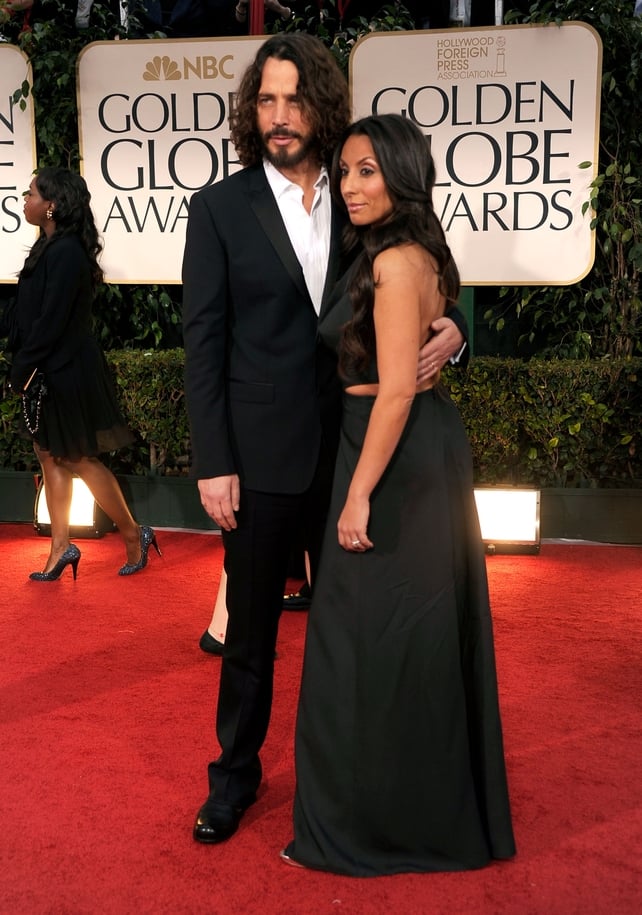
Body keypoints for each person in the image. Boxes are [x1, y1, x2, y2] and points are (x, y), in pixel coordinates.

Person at [182, 33, 468, 845]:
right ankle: (234, 777)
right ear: (250, 111)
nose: (280, 117)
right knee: (251, 637)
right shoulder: (219, 208)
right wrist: (214, 461)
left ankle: (353, 776)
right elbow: (203, 343)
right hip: (261, 459)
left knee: (357, 628)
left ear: (321, 106)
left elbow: (430, 267)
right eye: (265, 101)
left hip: (352, 452)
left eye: (295, 99)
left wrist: (455, 331)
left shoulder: (359, 191)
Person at [281, 114, 515, 875]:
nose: (349, 185)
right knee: (396, 644)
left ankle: (374, 825)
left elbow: (393, 395)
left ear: (403, 175)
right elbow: (422, 343)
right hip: (397, 448)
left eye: (367, 171)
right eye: (344, 171)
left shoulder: (397, 260)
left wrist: (356, 496)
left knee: (368, 646)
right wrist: (451, 328)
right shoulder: (396, 250)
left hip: (390, 455)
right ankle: (409, 810)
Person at [5, 167, 160, 580]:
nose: (25, 199)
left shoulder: (67, 251)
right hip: (46, 366)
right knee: (49, 453)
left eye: (31, 193)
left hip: (65, 367)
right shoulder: (48, 246)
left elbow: (52, 321)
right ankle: (61, 546)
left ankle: (133, 533)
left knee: (76, 456)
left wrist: (21, 370)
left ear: (51, 204)